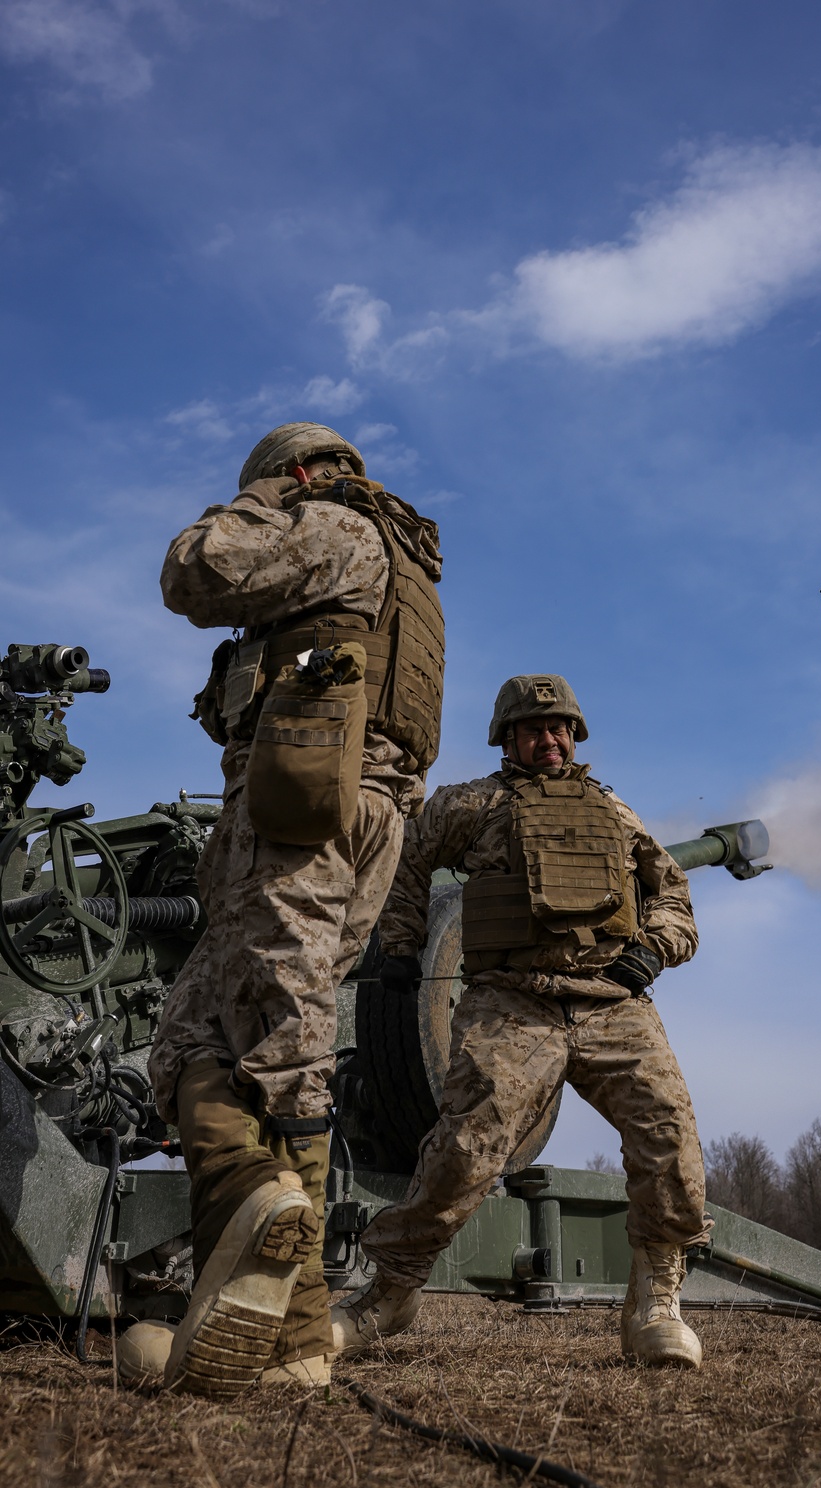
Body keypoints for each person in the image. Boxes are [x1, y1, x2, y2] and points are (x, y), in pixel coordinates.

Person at [133, 422, 444, 1398]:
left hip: (302, 798)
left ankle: (293, 1319)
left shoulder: (336, 528)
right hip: (359, 809)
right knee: (192, 1040)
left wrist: (260, 503)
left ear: (302, 474)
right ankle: (280, 1308)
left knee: (278, 1038)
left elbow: (196, 570)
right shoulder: (400, 568)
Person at [330, 674, 710, 1369]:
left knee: (670, 1136)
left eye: (561, 726)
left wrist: (653, 949)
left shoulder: (616, 813)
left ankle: (656, 1298)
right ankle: (390, 1292)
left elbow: (672, 893)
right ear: (508, 738)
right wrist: (403, 948)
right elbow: (406, 860)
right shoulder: (471, 804)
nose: (550, 738)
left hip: (610, 1000)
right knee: (463, 1151)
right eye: (534, 727)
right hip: (512, 1000)